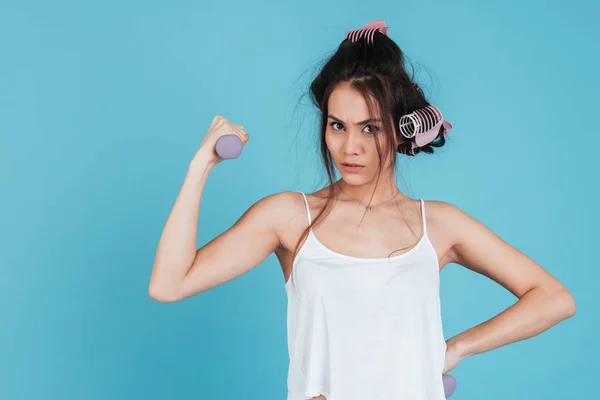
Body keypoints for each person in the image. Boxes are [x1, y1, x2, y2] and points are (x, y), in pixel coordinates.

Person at [148, 19, 576, 400]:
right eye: (338, 126)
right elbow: (169, 285)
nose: (349, 147)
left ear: (400, 129)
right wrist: (200, 165)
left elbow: (554, 299)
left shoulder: (439, 225)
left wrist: (455, 348)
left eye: (369, 129)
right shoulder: (289, 218)